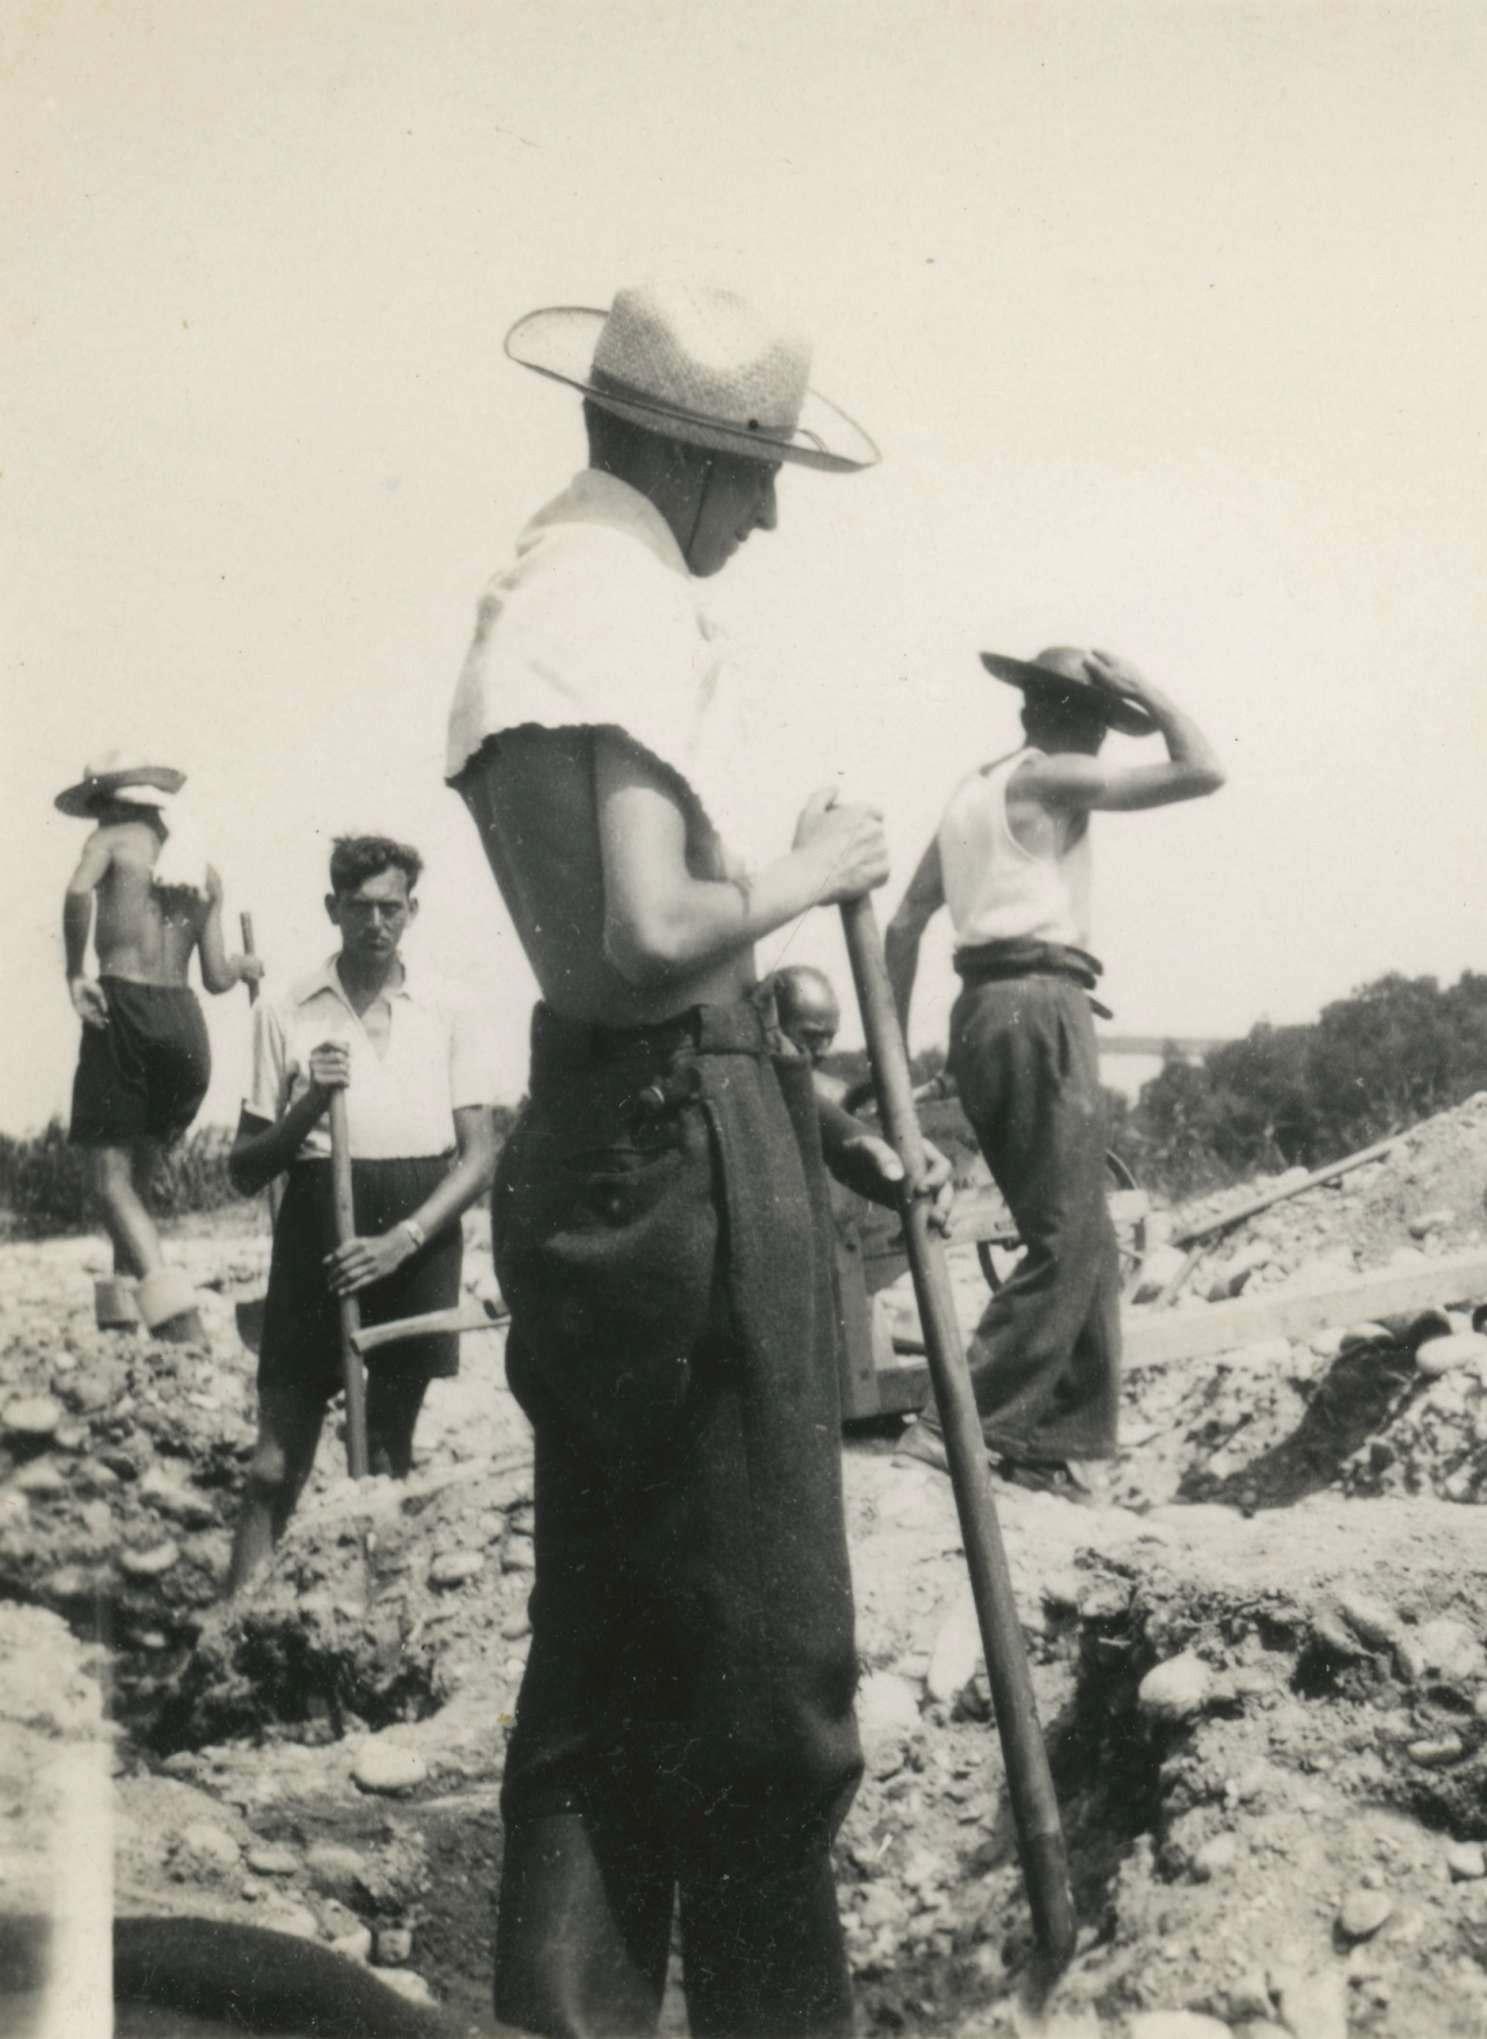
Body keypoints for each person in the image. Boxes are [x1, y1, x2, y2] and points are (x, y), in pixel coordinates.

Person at [444, 277, 940, 2039]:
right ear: (679, 451)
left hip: (610, 1127)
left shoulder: (534, 587)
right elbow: (649, 933)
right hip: (679, 1134)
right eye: (753, 468)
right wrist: (815, 863)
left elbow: (611, 959)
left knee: (606, 1652)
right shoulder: (625, 603)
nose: (772, 507)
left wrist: (807, 1113)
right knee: (762, 1675)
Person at [885, 646, 1223, 1495]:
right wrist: (1149, 685)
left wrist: (894, 1063)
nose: (1104, 746)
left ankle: (1049, 1447)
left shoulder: (973, 791)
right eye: (1105, 725)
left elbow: (903, 925)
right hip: (1040, 1005)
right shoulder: (1050, 780)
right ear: (1079, 722)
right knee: (1071, 1240)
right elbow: (1202, 770)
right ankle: (956, 1426)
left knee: (1083, 1237)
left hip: (983, 1010)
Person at [220, 836, 505, 1597]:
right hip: (321, 1232)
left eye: (392, 907)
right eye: (360, 908)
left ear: (412, 910)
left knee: (385, 1449)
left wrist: (404, 1240)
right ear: (332, 910)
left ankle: (367, 1626)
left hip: (420, 1232)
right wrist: (309, 1102)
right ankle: (232, 1632)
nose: (377, 922)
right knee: (275, 1464)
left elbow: (480, 1156)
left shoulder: (448, 1005)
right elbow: (245, 1169)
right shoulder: (286, 1010)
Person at [57, 750, 260, 1341]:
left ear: (116, 802)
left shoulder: (112, 842)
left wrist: (75, 971)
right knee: (137, 1178)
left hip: (127, 1004)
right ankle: (122, 1314)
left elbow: (76, 894)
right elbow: (220, 978)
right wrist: (248, 964)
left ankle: (178, 1321)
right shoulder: (200, 868)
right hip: (185, 1025)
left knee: (109, 1181)